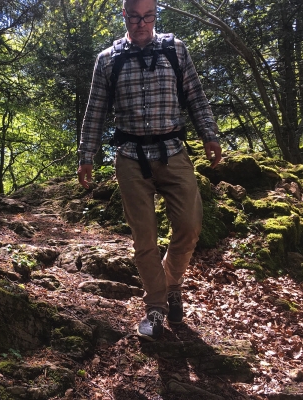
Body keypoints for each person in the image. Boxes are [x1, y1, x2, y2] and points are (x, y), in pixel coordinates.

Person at [77, 0, 222, 341]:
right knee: (144, 237)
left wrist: (209, 135)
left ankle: (172, 283)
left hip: (173, 152)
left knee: (189, 226)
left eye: (148, 16)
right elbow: (95, 111)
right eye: (134, 17)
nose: (141, 23)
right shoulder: (107, 60)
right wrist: (86, 156)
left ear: (156, 16)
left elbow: (196, 97)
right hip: (130, 157)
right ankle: (155, 306)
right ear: (124, 16)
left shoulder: (175, 50)